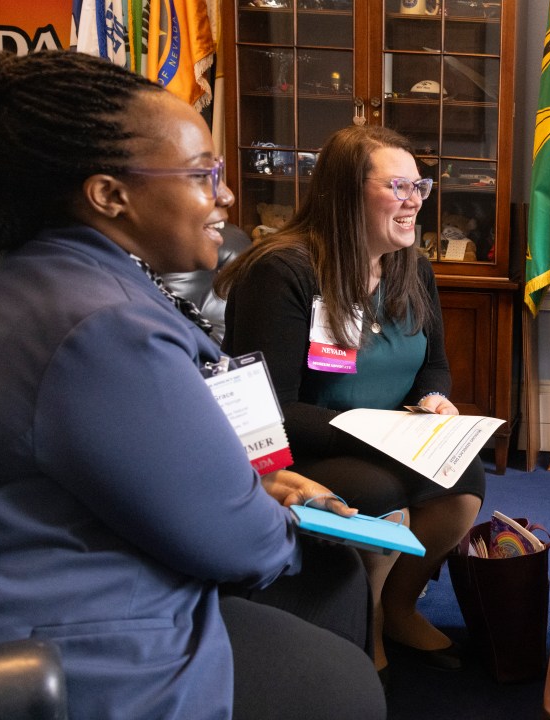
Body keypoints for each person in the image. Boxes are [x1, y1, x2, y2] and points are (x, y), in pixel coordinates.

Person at [0, 51, 385, 719]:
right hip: (77, 633)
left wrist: (250, 488)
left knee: (334, 584)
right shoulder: (101, 328)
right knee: (342, 686)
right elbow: (242, 545)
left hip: (76, 560)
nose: (226, 197)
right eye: (205, 175)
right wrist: (268, 510)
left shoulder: (60, 279)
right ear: (109, 194)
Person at [215, 124, 485, 674]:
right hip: (301, 445)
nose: (415, 203)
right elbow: (271, 411)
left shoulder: (412, 265)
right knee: (379, 489)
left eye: (420, 188)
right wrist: (379, 435)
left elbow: (434, 363)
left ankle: (399, 604)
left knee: (465, 479)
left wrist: (434, 400)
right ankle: (367, 621)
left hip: (391, 435)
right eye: (398, 188)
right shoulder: (284, 272)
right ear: (345, 193)